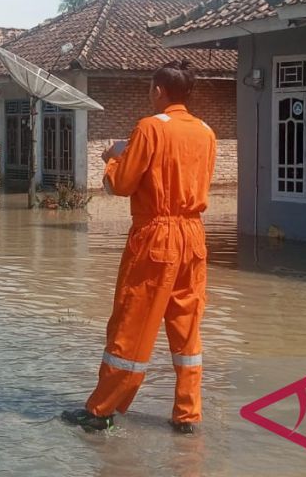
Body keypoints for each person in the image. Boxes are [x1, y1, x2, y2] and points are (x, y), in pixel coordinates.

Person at [62, 61, 217, 435]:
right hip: (194, 236)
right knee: (187, 327)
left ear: (159, 91)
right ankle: (187, 413)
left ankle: (102, 411)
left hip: (156, 236)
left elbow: (122, 186)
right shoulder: (206, 131)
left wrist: (113, 157)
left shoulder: (149, 127)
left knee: (131, 323)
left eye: (151, 89)